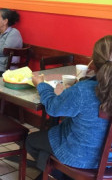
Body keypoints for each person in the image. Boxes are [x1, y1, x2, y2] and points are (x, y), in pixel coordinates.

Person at [26, 35, 112, 180]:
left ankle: (59, 173)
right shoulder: (82, 89)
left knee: (31, 141)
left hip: (78, 156)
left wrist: (41, 85)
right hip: (108, 161)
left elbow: (53, 108)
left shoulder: (83, 90)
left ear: (94, 61)